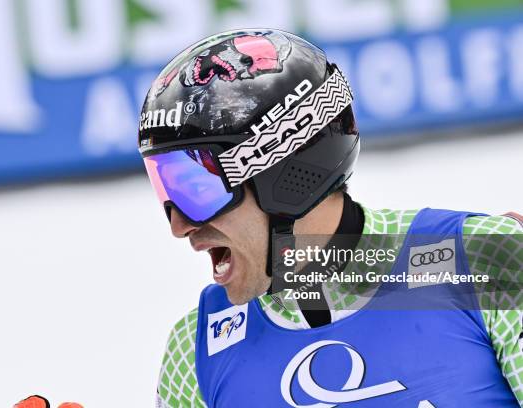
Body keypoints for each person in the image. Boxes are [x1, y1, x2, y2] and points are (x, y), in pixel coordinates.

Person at [138, 29, 522, 407]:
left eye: (196, 190)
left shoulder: (489, 259)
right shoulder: (194, 352)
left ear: (286, 177)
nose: (179, 226)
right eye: (166, 191)